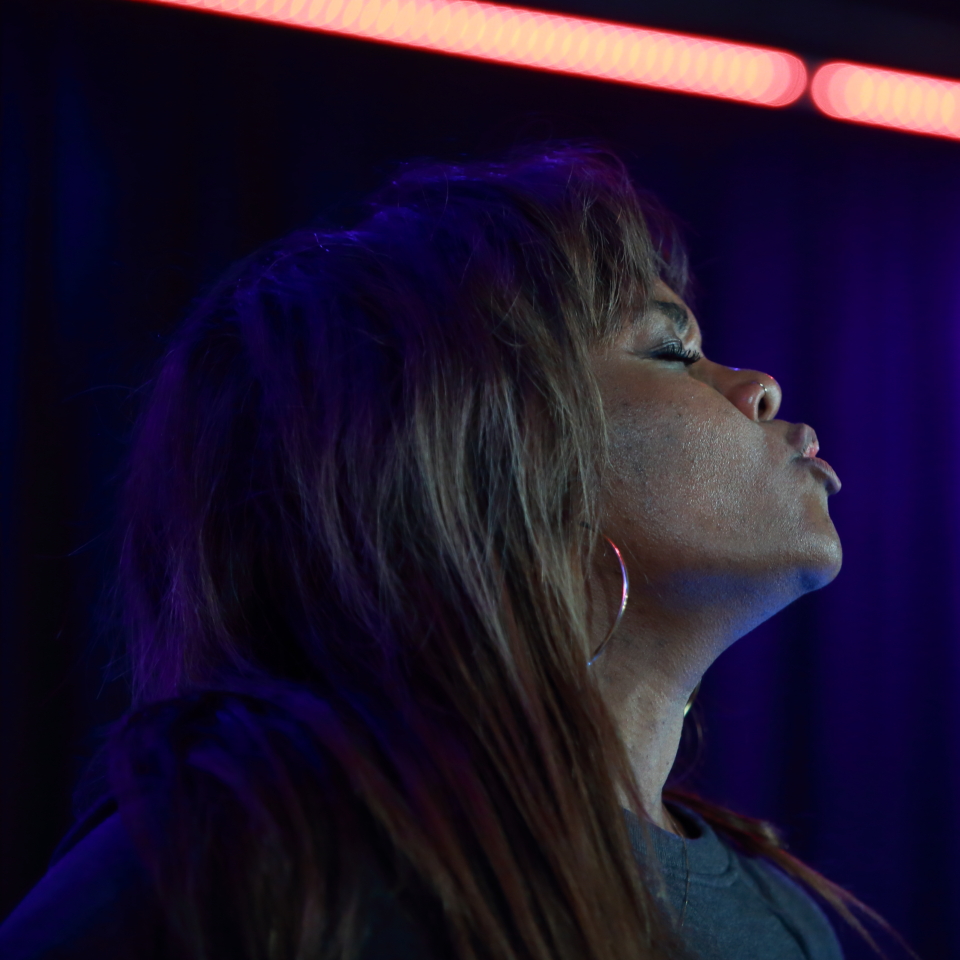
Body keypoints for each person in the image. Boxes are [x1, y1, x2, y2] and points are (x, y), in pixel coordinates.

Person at [0, 145, 881, 960]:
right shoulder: (246, 845)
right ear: (484, 452)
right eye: (672, 351)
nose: (760, 386)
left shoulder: (788, 927)